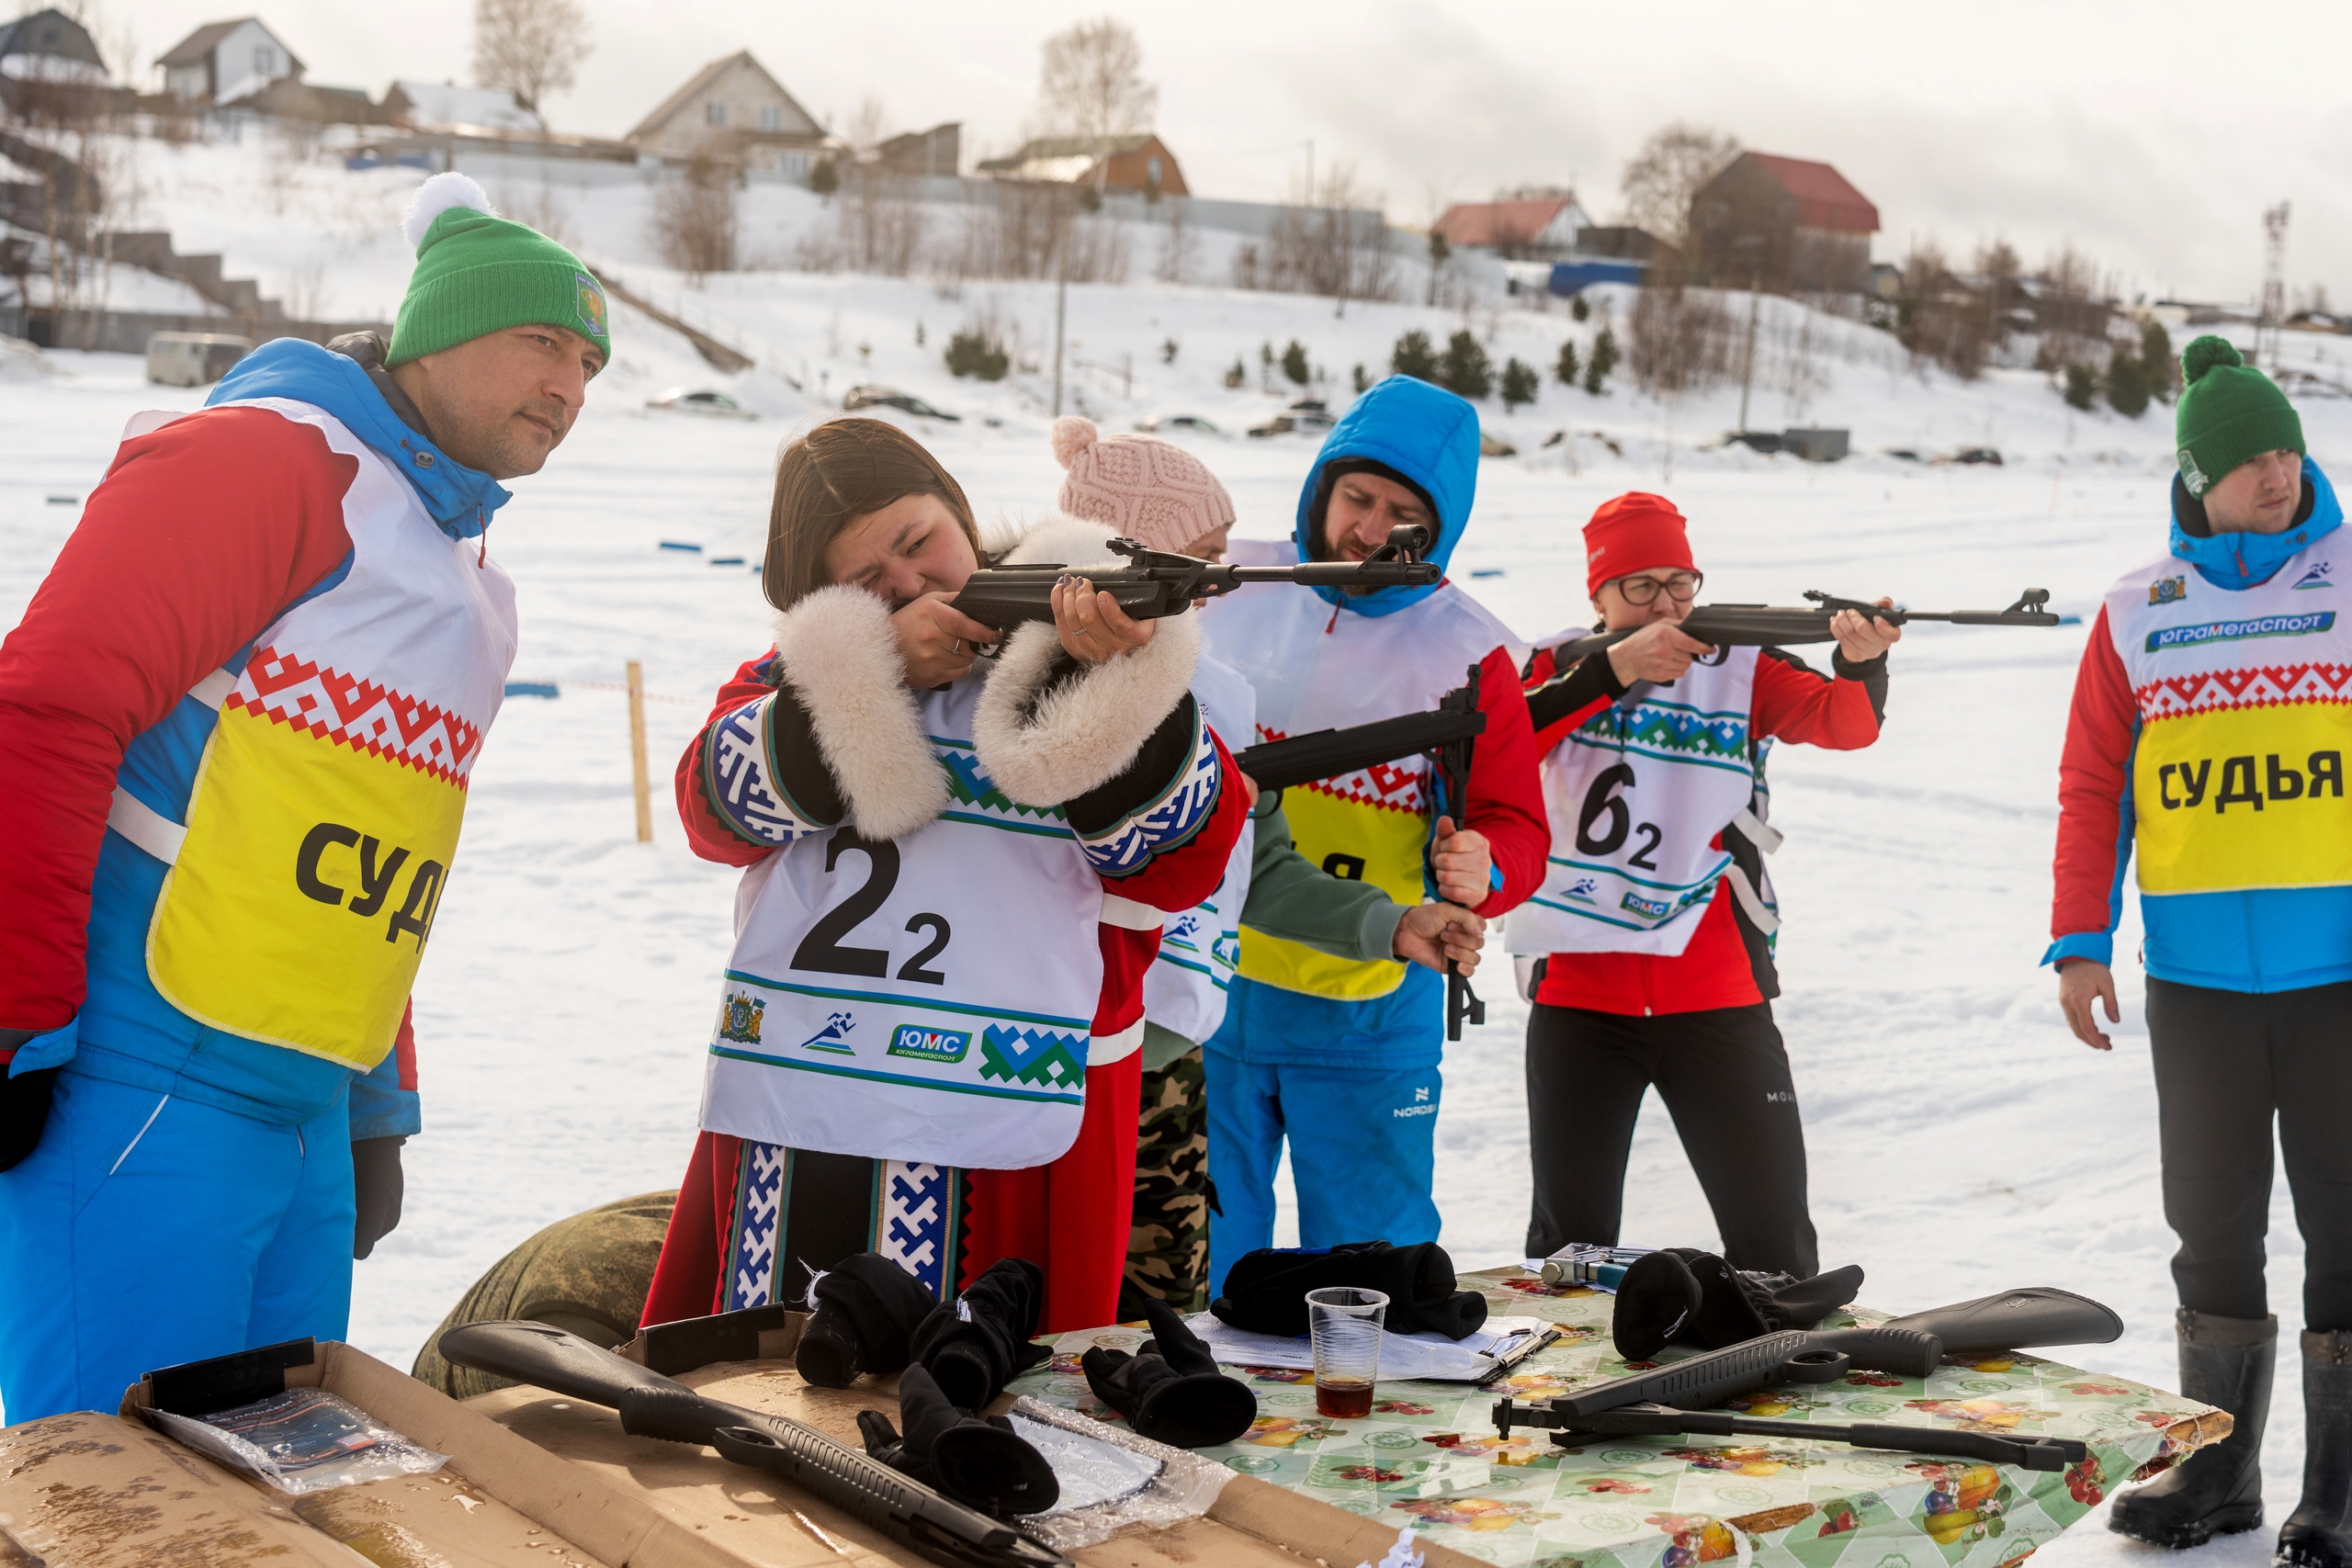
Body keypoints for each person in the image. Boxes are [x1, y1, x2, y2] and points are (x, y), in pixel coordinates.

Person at [0, 172, 608, 1419]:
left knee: (269, 1493)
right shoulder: (267, 459)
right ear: (437, 332)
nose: (570, 386)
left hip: (306, 1114)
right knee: (111, 1492)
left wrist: (376, 1102)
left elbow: (378, 846)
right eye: (542, 342)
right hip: (142, 1081)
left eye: (590, 363)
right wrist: (11, 1026)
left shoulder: (458, 571)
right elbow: (45, 710)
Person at [640, 418, 1248, 1337]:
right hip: (806, 1112)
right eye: (865, 580)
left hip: (1015, 1114)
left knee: (994, 1384)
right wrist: (864, 676)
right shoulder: (798, 677)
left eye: (918, 539)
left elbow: (1185, 860)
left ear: (958, 510)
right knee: (771, 1374)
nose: (909, 581)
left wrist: (1115, 688)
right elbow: (709, 808)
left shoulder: (1077, 649)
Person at [1037, 419, 1487, 1314]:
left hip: (1164, 1059)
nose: (1217, 586)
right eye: (1201, 561)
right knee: (1046, 1307)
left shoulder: (1211, 693)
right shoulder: (1009, 680)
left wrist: (1392, 923)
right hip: (1031, 1058)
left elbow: (1262, 865)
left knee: (1163, 1329)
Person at [2051, 337, 2352, 1568]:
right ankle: (2219, 1475)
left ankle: (2338, 1492)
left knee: (2344, 1224)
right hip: (2196, 981)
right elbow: (2092, 786)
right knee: (2211, 1231)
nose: (2278, 475)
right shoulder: (2139, 609)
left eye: (2288, 450)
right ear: (2196, 477)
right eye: (2250, 460)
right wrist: (2080, 939)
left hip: (2339, 977)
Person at [1201, 375, 1548, 1295]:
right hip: (1202, 999)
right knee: (1194, 1280)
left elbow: (1518, 823)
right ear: (1322, 486)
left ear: (1442, 529)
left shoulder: (1470, 650)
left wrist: (1487, 866)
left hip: (1370, 1009)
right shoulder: (1229, 586)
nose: (1369, 530)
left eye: (1405, 516)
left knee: (1370, 1291)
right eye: (1356, 498)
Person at [1511, 492, 1896, 1278]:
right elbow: (1502, 743)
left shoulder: (1741, 662)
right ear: (1598, 596)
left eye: (1679, 582)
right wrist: (1613, 670)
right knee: (1568, 1250)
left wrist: (1862, 661)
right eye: (1639, 586)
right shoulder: (1556, 663)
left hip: (1719, 990)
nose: (1665, 604)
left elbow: (1843, 723)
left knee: (1775, 1245)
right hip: (1580, 996)